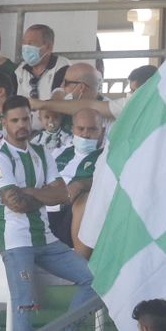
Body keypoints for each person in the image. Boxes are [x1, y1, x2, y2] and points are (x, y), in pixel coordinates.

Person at [0, 96, 104, 331]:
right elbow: (14, 202)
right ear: (4, 123)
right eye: (15, 120)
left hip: (46, 236)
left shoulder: (42, 152)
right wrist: (39, 192)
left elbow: (61, 195)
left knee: (97, 279)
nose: (22, 125)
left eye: (25, 119)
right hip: (15, 240)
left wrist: (28, 191)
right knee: (25, 305)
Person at [52, 107, 108, 258]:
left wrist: (81, 184)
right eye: (80, 129)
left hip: (72, 213)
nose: (85, 134)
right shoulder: (57, 153)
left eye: (92, 129)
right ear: (72, 129)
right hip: (46, 211)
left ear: (102, 132)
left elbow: (106, 181)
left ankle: (80, 262)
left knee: (84, 200)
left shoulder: (106, 157)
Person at [16, 23, 72, 102]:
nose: (26, 47)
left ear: (48, 47)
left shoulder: (62, 67)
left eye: (31, 43)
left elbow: (58, 100)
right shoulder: (20, 69)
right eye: (24, 43)